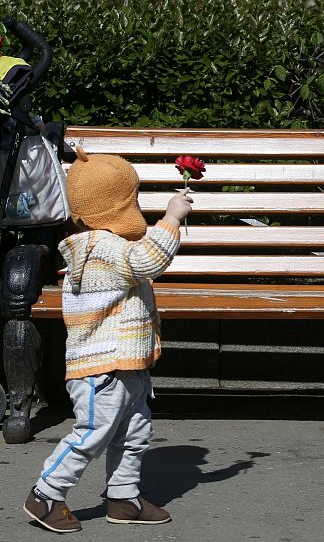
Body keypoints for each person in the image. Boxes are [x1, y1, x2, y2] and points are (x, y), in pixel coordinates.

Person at [23, 146, 192, 533]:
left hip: (126, 364)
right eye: (131, 199)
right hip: (104, 370)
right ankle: (46, 493)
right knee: (91, 434)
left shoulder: (101, 244)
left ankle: (123, 496)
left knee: (134, 431)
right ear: (117, 206)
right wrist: (171, 218)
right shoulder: (102, 248)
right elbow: (149, 260)